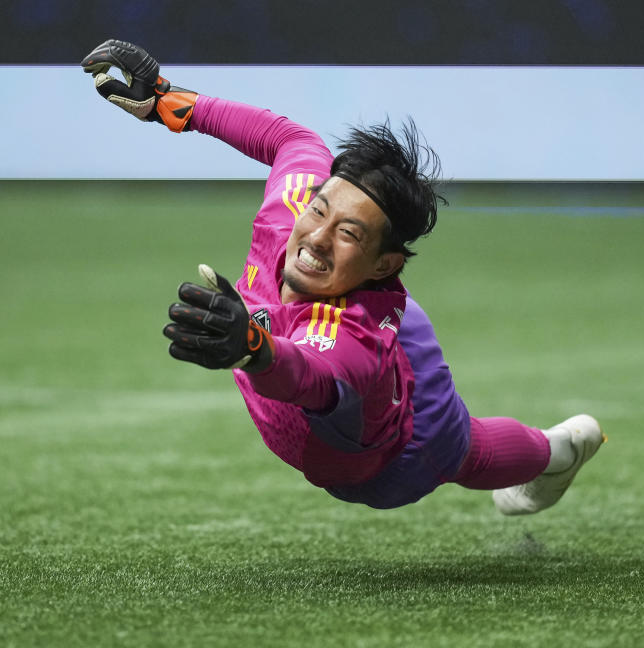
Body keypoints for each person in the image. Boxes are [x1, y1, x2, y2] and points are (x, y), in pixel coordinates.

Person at [81, 39, 605, 515]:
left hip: (393, 455)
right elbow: (291, 139)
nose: (316, 237)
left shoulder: (351, 343)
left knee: (461, 447)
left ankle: (561, 450)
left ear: (385, 264)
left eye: (349, 232)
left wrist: (253, 349)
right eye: (319, 210)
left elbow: (310, 373)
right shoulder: (296, 211)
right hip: (373, 313)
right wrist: (171, 103)